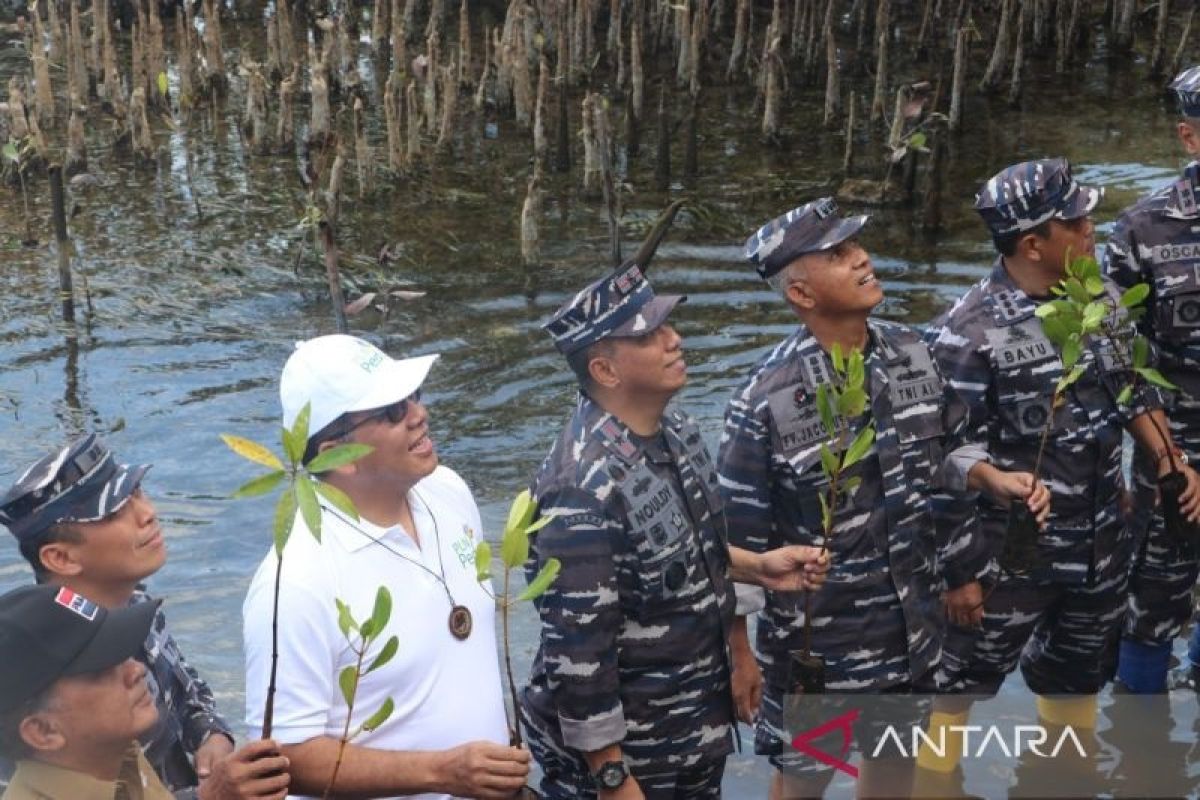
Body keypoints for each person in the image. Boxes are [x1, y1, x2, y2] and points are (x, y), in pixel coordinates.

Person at [921, 158, 1200, 776]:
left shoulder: (1097, 299)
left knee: (1074, 688)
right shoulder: (964, 335)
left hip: (1097, 547)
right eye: (1075, 221)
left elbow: (1132, 389)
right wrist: (957, 574)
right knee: (954, 695)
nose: (1091, 228)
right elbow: (934, 461)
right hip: (1006, 562)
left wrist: (1168, 459)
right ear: (1032, 243)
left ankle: (1056, 783)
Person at [520, 263, 830, 800]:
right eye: (649, 335)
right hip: (629, 755)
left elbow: (683, 550)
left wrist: (757, 567)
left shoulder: (676, 430)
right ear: (606, 370)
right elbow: (578, 655)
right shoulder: (581, 490)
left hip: (689, 726)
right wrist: (613, 777)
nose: (674, 340)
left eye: (667, 325)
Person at [717, 198, 991, 799]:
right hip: (819, 649)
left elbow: (950, 462)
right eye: (838, 255)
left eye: (856, 246)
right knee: (804, 783)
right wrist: (740, 655)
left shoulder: (913, 351)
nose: (862, 258)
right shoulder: (765, 400)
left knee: (894, 775)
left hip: (909, 631)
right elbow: (733, 542)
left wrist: (964, 567)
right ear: (803, 295)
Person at [242, 334, 530, 800]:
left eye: (413, 396)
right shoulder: (295, 581)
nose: (419, 414)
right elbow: (286, 758)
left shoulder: (448, 492)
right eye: (393, 411)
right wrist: (442, 773)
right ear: (340, 454)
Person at [0, 435, 288, 800]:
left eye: (137, 492)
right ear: (61, 558)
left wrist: (211, 734)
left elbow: (186, 687)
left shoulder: (135, 609)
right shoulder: (31, 673)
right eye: (116, 511)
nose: (147, 512)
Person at [0, 583, 286, 800]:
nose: (136, 670)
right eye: (101, 671)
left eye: (123, 654)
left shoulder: (116, 754)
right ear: (43, 731)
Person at [1105, 64, 1200, 693]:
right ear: (1189, 137)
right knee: (1154, 601)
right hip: (1175, 449)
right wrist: (1170, 458)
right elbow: (1113, 357)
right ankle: (1143, 761)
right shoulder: (1143, 230)